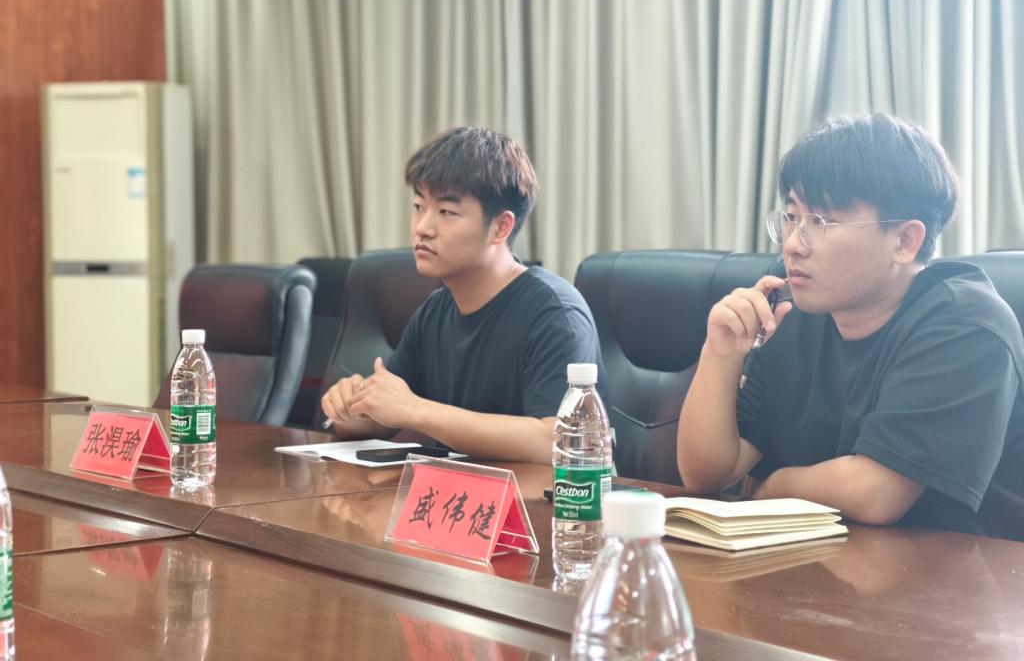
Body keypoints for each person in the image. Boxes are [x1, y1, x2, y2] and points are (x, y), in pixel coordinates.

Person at [677, 114, 1024, 540]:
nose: (792, 244)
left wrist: (774, 486)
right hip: (820, 563)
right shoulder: (790, 306)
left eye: (821, 222)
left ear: (905, 241)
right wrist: (719, 355)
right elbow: (706, 473)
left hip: (953, 573)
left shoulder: (966, 325)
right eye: (791, 216)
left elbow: (876, 494)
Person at [321, 126, 606, 464]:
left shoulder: (554, 312)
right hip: (458, 493)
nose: (422, 228)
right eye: (418, 206)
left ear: (500, 227)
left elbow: (556, 441)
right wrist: (350, 409)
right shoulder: (435, 310)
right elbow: (382, 421)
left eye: (446, 212)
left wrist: (415, 410)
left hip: (545, 498)